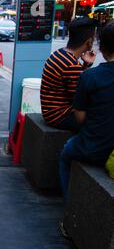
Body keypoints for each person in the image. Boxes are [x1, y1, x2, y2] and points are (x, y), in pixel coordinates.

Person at [59, 22, 114, 201]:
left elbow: (80, 118)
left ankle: (69, 208)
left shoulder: (89, 76)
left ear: (101, 46)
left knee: (66, 153)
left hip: (94, 149)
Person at [40, 17, 98, 131]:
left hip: (51, 112)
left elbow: (76, 83)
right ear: (89, 42)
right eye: (94, 38)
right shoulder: (71, 65)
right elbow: (80, 100)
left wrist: (86, 65)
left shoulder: (59, 54)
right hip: (60, 117)